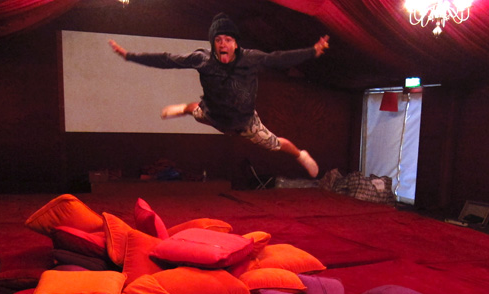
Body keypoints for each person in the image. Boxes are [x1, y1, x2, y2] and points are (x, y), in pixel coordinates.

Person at [108, 12, 329, 178]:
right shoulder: (202, 59)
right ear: (213, 43)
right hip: (212, 115)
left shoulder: (250, 58)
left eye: (228, 40)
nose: (223, 44)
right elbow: (167, 59)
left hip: (244, 123)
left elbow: (278, 58)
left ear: (236, 44)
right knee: (195, 111)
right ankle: (184, 108)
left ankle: (301, 155)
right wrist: (130, 56)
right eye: (218, 40)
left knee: (275, 144)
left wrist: (312, 51)